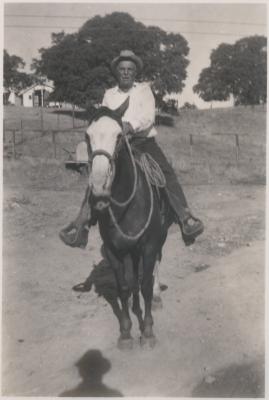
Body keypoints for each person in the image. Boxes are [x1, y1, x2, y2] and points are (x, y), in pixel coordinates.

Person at [59, 50, 204, 248]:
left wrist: (129, 125)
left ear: (135, 73)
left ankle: (184, 217)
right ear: (117, 72)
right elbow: (103, 117)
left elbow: (148, 118)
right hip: (117, 145)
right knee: (99, 173)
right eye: (122, 69)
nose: (126, 73)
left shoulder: (144, 90)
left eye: (130, 69)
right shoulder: (109, 95)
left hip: (142, 143)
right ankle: (81, 224)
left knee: (165, 173)